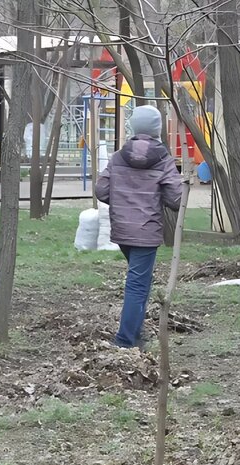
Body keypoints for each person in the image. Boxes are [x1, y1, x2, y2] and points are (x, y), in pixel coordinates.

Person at [94, 105, 183, 348]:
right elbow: (176, 200)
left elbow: (101, 191)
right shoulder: (164, 159)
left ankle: (136, 334)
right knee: (137, 285)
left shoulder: (118, 156)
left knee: (140, 282)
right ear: (157, 129)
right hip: (146, 232)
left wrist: (123, 200)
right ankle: (124, 341)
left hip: (123, 231)